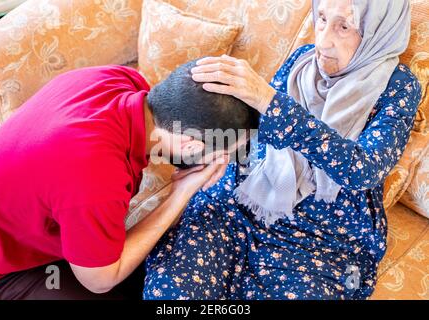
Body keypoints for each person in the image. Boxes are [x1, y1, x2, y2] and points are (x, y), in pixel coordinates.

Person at [143, 0, 423, 300]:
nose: (323, 41)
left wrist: (270, 101)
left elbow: (363, 170)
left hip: (322, 239)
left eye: (344, 26)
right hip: (241, 201)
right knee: (170, 293)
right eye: (322, 19)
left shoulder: (399, 86)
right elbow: (261, 131)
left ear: (379, 30)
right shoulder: (303, 59)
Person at [0, 60, 258, 300]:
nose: (224, 162)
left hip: (13, 211)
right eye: (225, 154)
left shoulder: (118, 79)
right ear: (189, 145)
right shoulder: (94, 177)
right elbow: (100, 280)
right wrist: (179, 195)